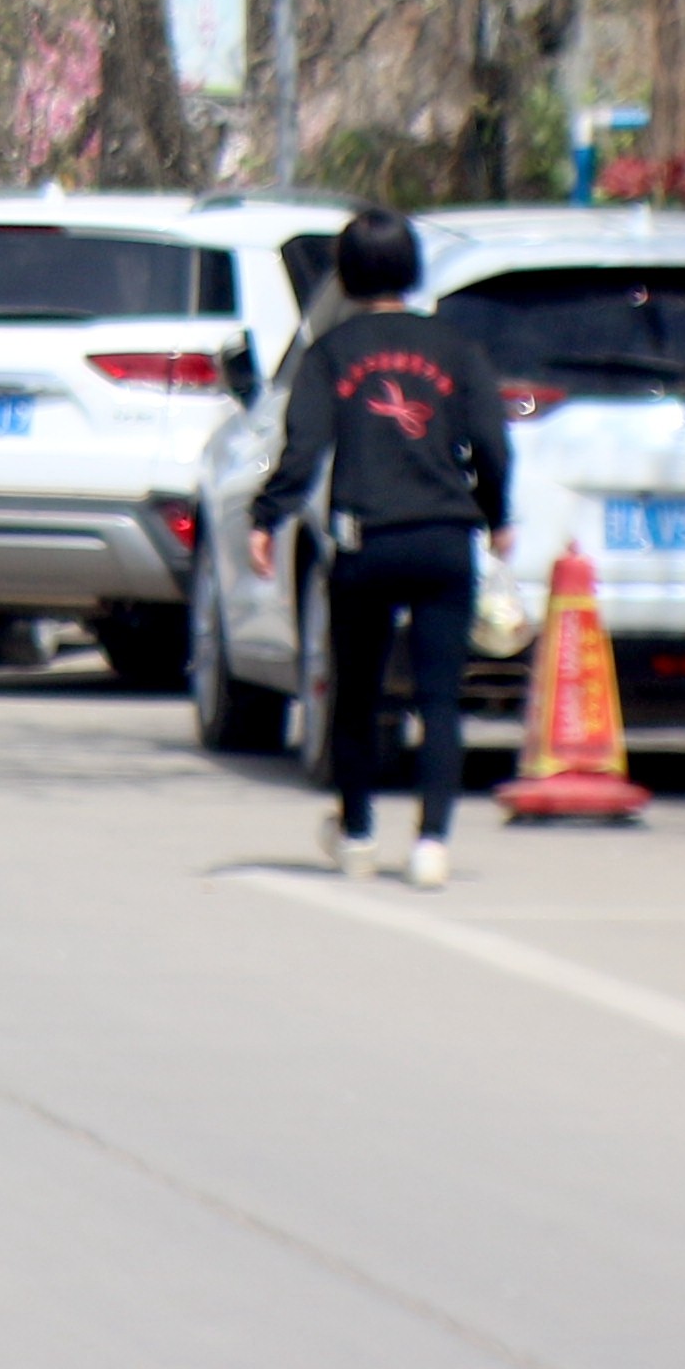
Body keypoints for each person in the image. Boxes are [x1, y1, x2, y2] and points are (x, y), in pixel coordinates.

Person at [249, 204, 515, 889]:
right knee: (438, 699)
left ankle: (359, 834)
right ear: (414, 268)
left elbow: (303, 448)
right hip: (444, 536)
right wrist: (496, 513)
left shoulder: (331, 353)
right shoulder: (455, 349)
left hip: (367, 541)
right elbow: (490, 441)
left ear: (344, 272)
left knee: (357, 693)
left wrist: (267, 517)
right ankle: (431, 843)